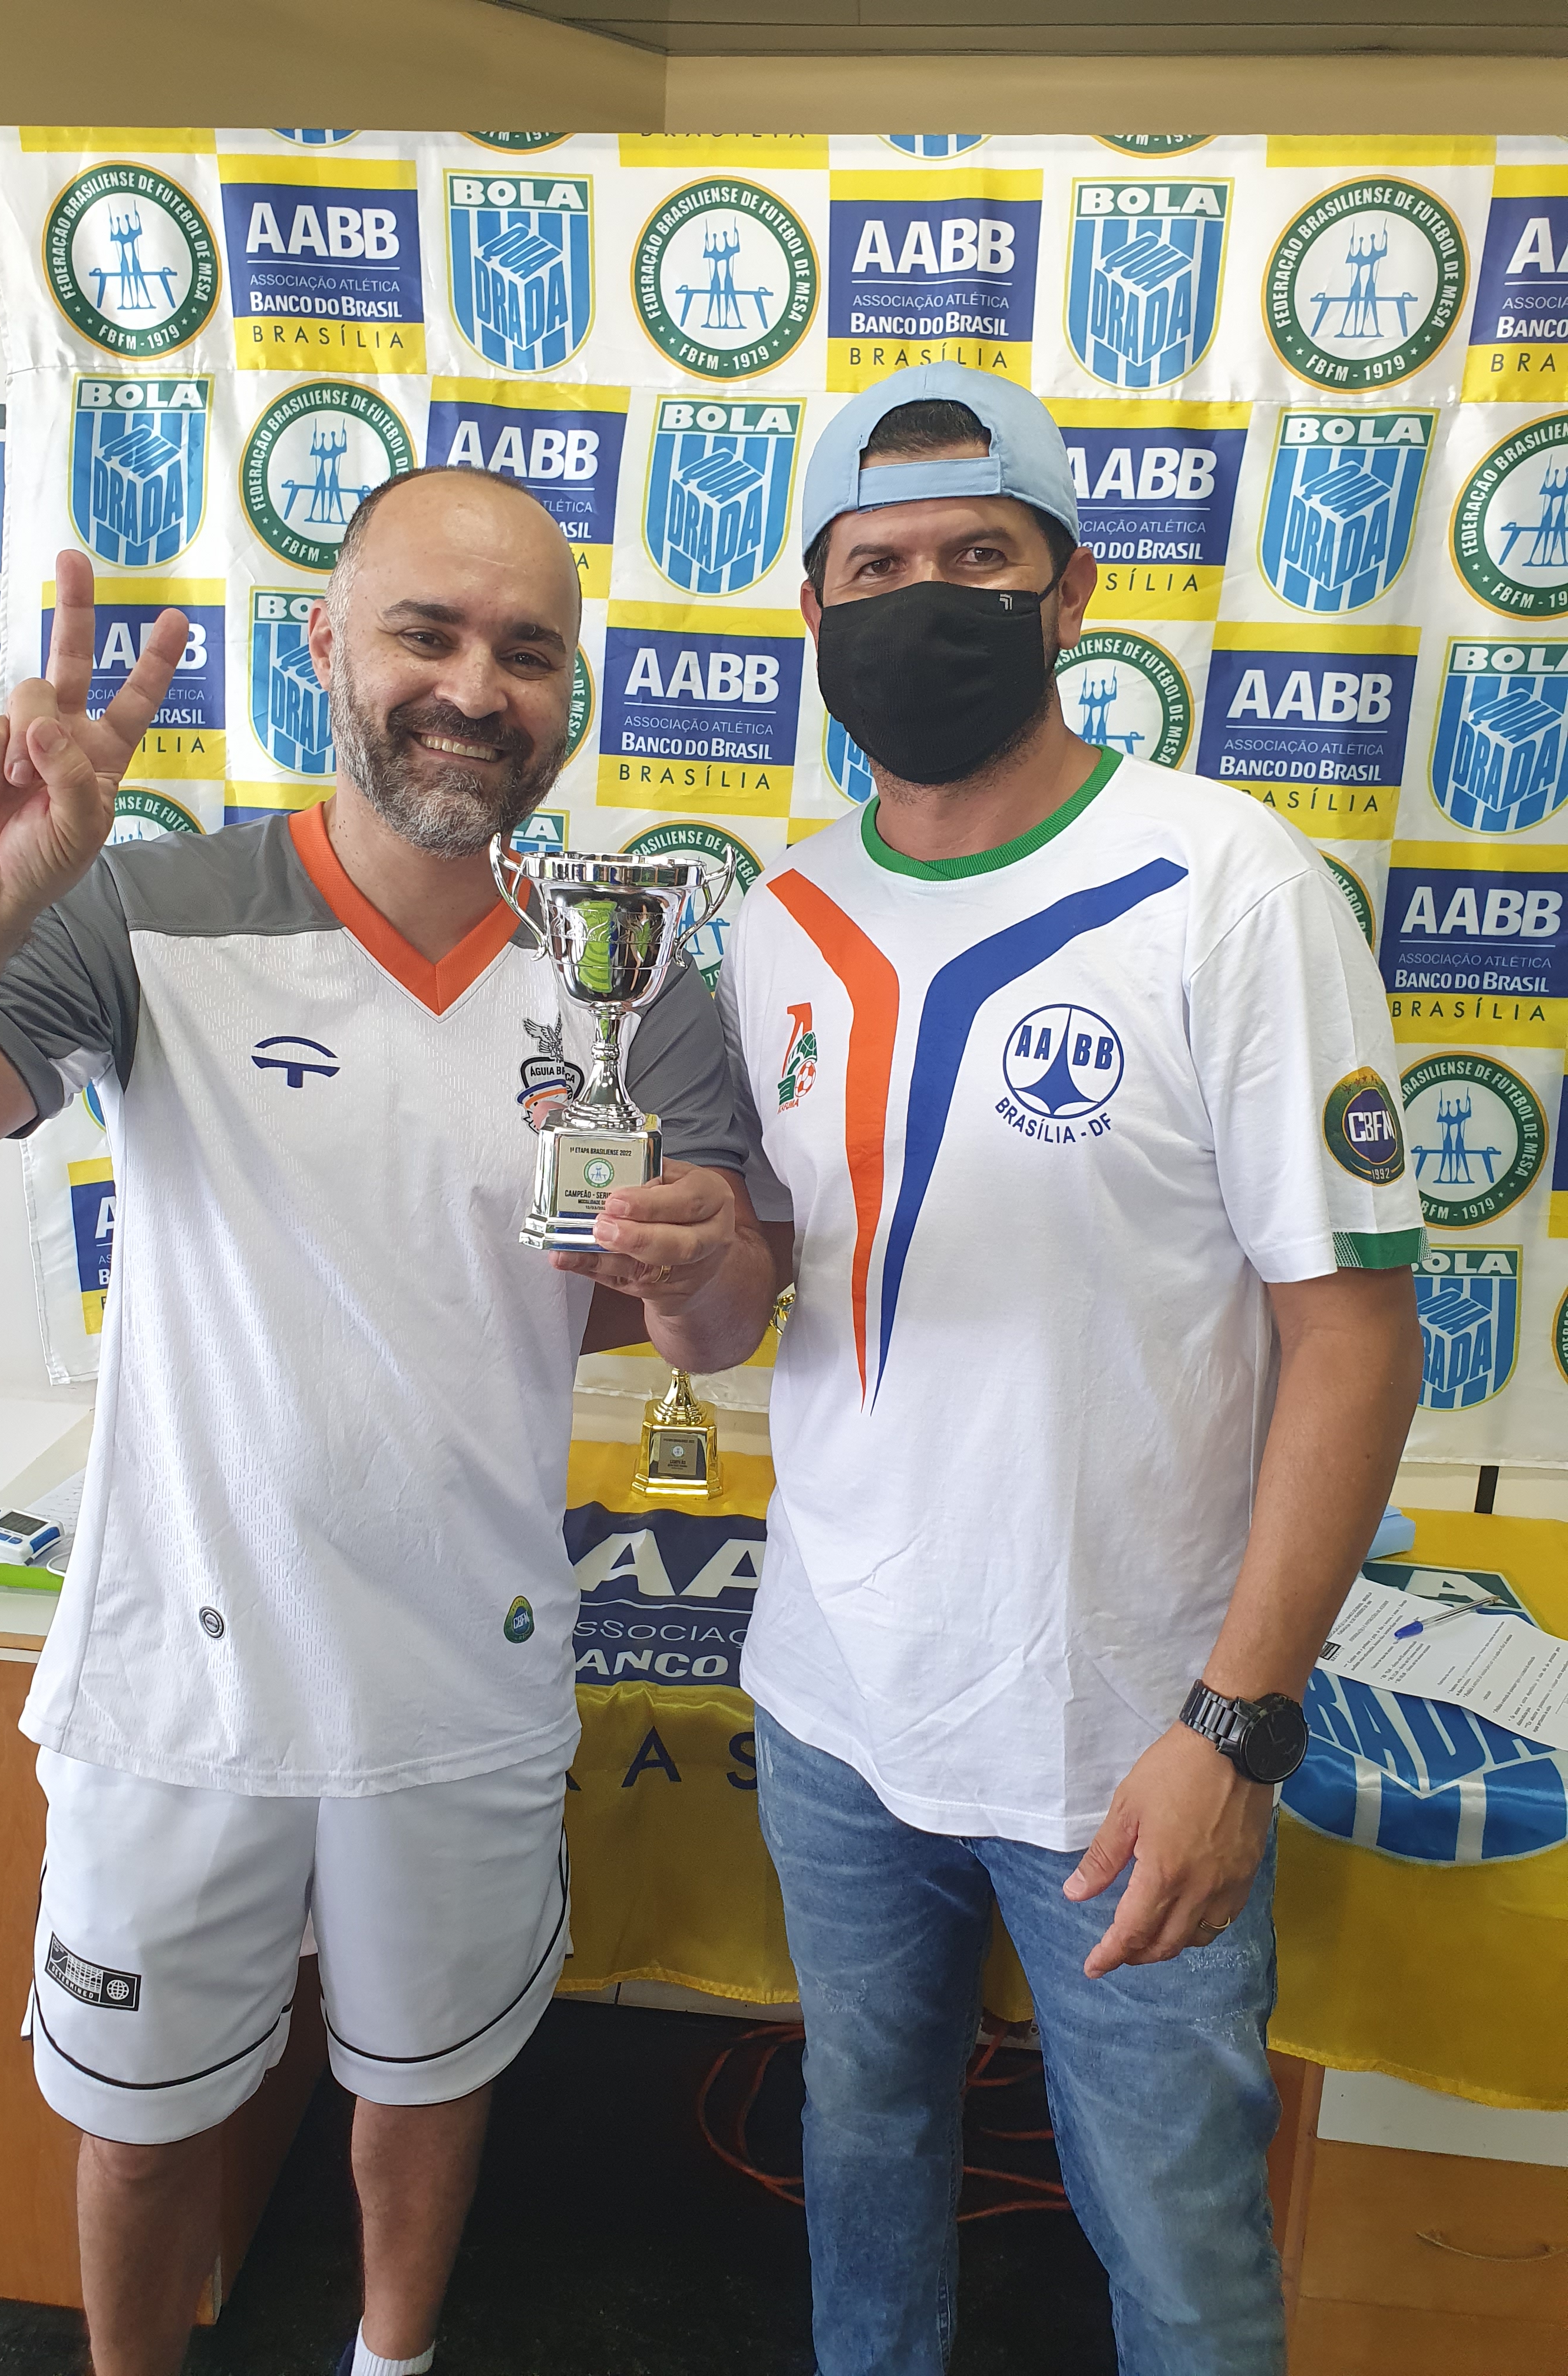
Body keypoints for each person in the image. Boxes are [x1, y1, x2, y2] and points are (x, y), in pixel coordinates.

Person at [0, 467, 771, 2376]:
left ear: (572, 691)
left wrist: (705, 1258)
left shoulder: (632, 970)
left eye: (527, 651)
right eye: (428, 631)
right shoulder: (141, 910)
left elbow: (721, 1330)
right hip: (182, 1681)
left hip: (464, 1674)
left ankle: (391, 2360)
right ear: (326, 642)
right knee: (142, 2129)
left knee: (423, 2089)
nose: (475, 688)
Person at [648, 362, 1426, 2375]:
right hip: (837, 1706)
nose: (927, 600)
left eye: (978, 557)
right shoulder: (776, 920)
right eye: (877, 565)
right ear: (812, 610)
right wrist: (695, 1272)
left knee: (1179, 2248)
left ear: (1069, 590)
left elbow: (1356, 1338)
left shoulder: (1229, 885)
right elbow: (764, 1302)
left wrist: (1234, 1727)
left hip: (1127, 1736)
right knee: (864, 2150)